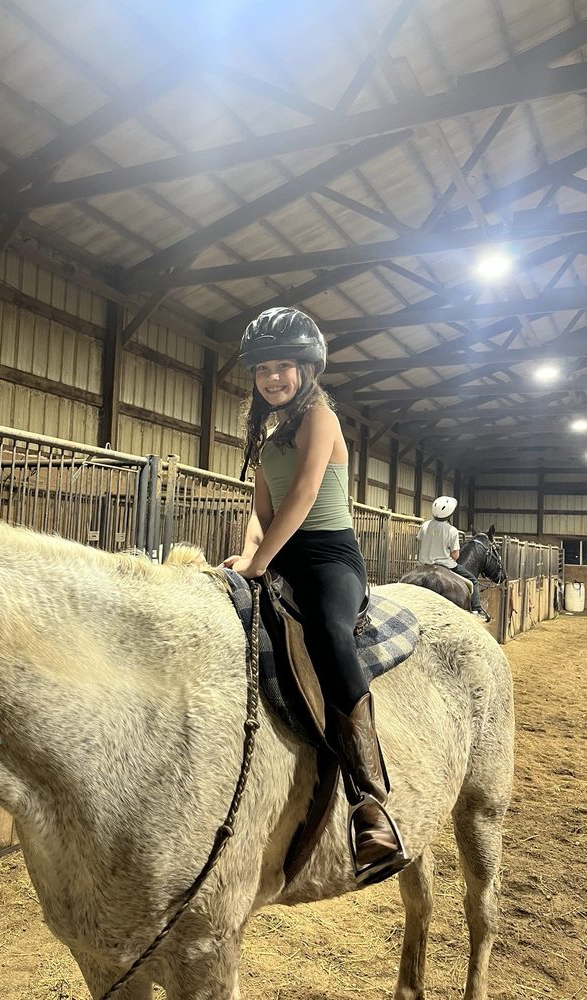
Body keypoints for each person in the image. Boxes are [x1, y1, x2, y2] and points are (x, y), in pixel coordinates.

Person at [224, 306, 408, 886]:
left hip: (329, 557)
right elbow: (261, 512)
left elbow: (302, 497)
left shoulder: (320, 417)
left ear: (306, 368)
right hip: (279, 553)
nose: (272, 378)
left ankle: (370, 801)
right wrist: (247, 555)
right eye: (263, 369)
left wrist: (262, 560)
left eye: (283, 367)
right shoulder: (267, 431)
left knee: (328, 632)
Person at [417, 496, 491, 621]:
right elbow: (455, 555)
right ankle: (477, 611)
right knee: (473, 581)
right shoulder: (452, 530)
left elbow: (420, 541)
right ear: (450, 514)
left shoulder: (425, 526)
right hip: (445, 565)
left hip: (423, 564)